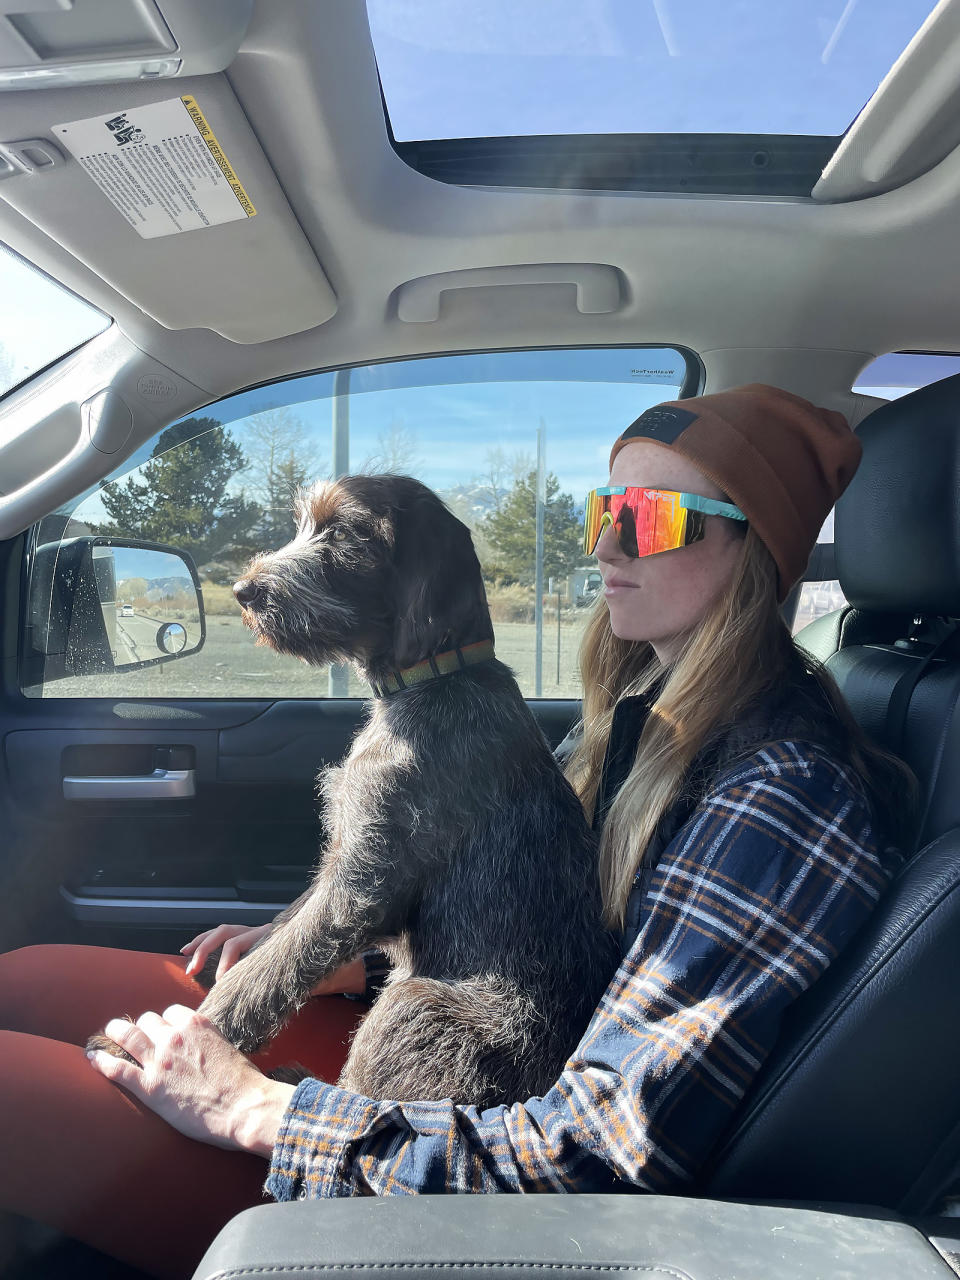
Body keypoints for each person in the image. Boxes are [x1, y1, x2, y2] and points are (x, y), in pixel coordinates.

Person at [0, 385, 910, 1277]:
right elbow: (512, 887)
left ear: (762, 549)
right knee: (28, 985)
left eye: (653, 515)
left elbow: (595, 1151)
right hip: (446, 1054)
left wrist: (253, 1108)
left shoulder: (779, 790)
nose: (603, 541)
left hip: (486, 1180)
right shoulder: (639, 708)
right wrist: (341, 957)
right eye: (606, 506)